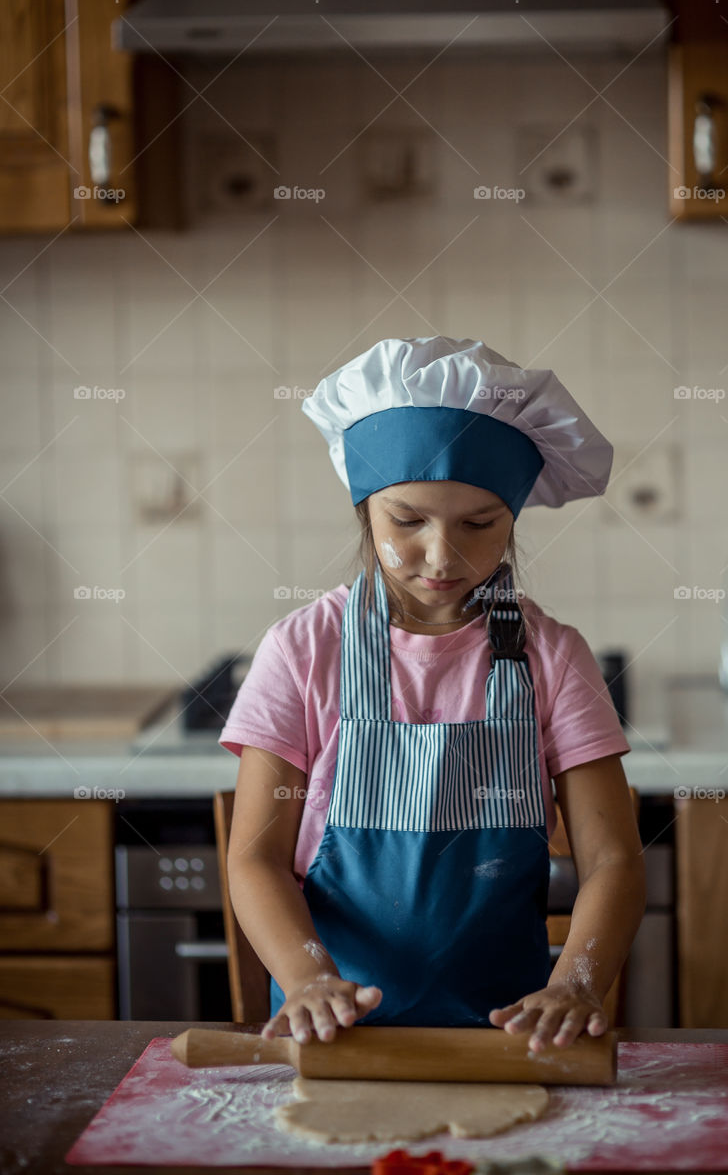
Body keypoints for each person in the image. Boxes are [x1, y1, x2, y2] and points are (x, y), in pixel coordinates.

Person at [219, 335, 645, 1053]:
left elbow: (613, 861)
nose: (442, 555)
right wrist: (307, 979)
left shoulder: (550, 657)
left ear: (512, 518)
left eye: (478, 524)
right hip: (334, 1039)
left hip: (512, 1042)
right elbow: (255, 859)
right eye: (408, 520)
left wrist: (575, 982)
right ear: (366, 509)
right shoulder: (302, 651)